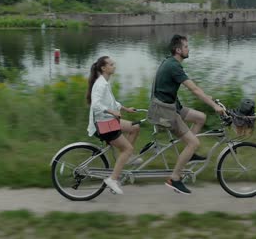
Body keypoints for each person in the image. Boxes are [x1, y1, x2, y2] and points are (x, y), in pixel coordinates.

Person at [148, 34, 225, 195]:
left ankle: (189, 154)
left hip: (171, 107)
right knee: (194, 142)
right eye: (186, 47)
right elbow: (194, 89)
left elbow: (195, 90)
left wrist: (208, 98)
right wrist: (214, 106)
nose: (188, 49)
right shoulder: (174, 66)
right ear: (178, 50)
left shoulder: (169, 62)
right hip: (165, 112)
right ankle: (174, 178)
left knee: (200, 117)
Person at [86, 56, 141, 195]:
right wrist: (112, 111)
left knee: (135, 127)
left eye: (113, 64)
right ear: (104, 68)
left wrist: (126, 109)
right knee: (127, 148)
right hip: (104, 125)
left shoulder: (104, 82)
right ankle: (112, 179)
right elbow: (96, 105)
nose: (114, 66)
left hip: (109, 120)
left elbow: (111, 102)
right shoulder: (100, 84)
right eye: (111, 64)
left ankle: (125, 158)